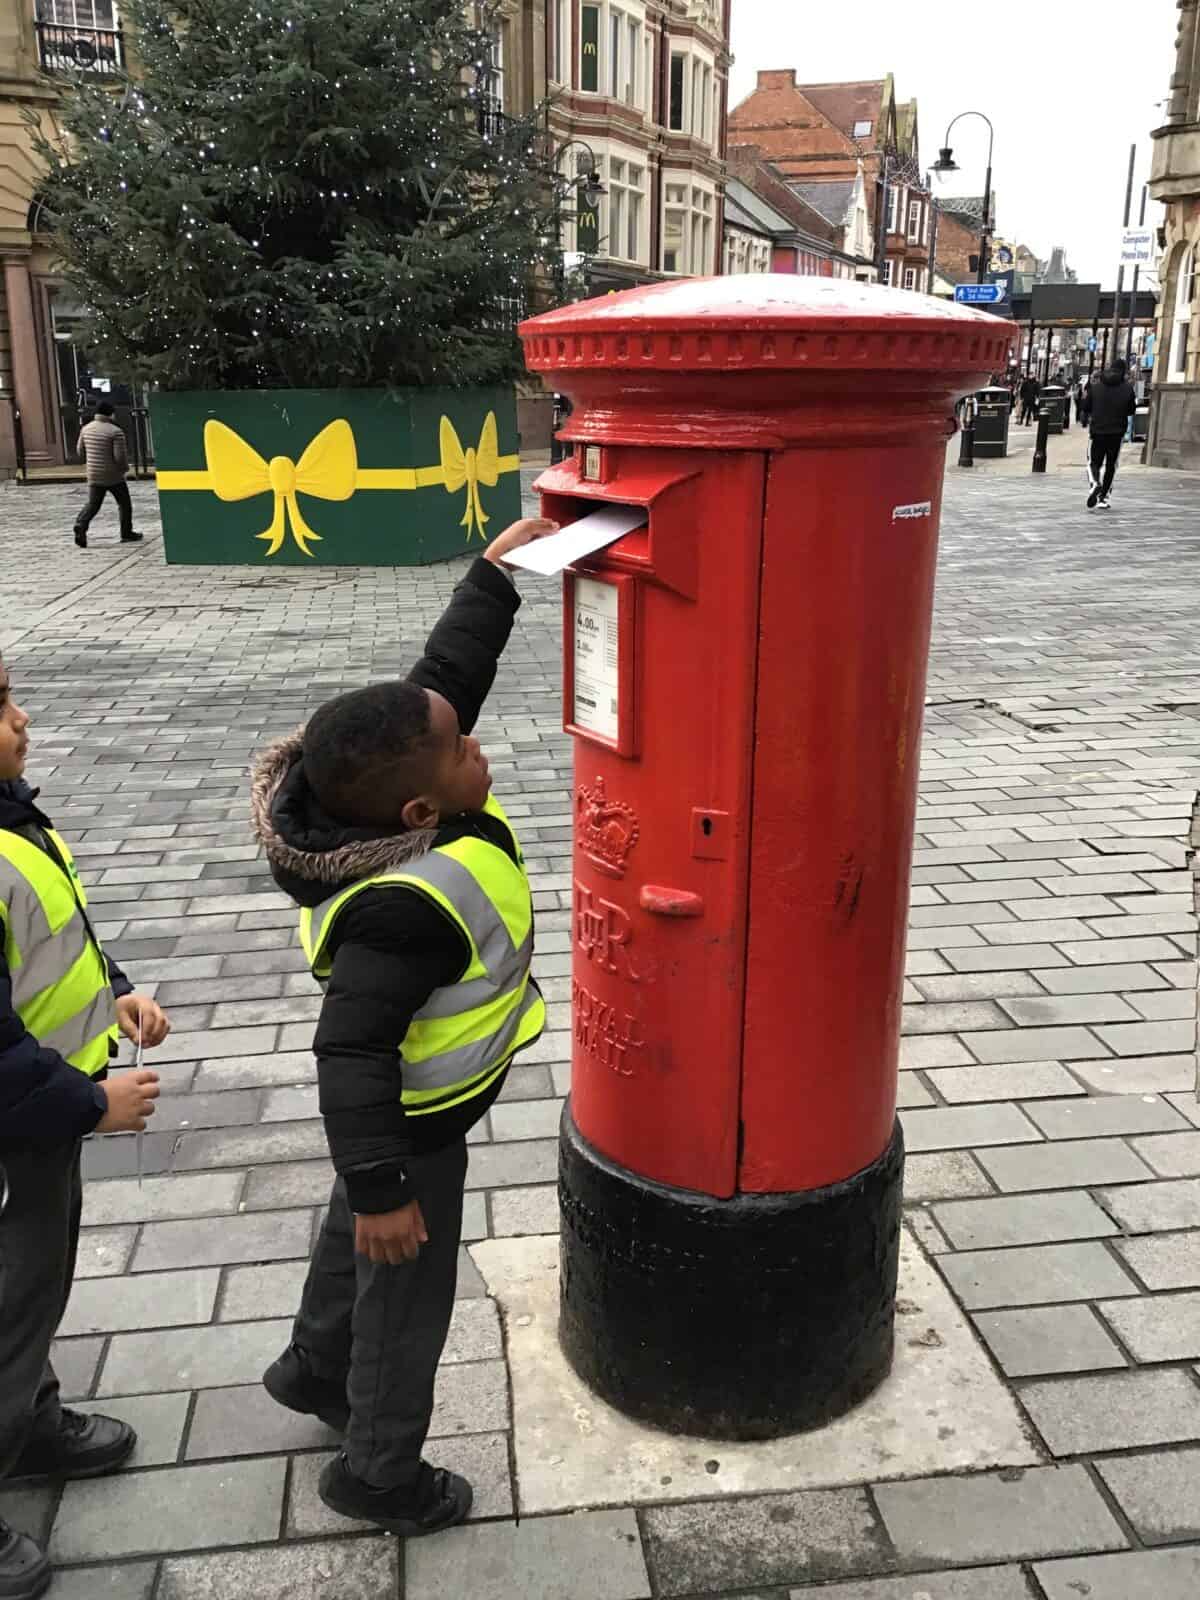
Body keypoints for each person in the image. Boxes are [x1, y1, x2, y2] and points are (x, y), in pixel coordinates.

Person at [251, 516, 556, 1539]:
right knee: (406, 1291)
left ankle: (312, 1366)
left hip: (397, 1126)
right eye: (465, 747)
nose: (478, 742)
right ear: (423, 812)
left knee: (357, 1229)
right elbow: (349, 1050)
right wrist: (384, 1181)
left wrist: (494, 578)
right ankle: (378, 1473)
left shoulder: (367, 797)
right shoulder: (403, 909)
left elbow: (440, 684)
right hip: (411, 1124)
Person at [0, 653, 171, 1600]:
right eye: (0, 706)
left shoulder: (13, 815)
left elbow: (54, 943)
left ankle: (28, 1422)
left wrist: (116, 992)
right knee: (9, 1296)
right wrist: (93, 1102)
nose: (22, 719)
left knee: (32, 1285)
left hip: (38, 1118)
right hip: (19, 1122)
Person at [73, 402, 141, 550]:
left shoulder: (86, 429)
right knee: (124, 504)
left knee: (93, 504)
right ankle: (126, 533)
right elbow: (119, 457)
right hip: (113, 475)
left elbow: (80, 451)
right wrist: (124, 469)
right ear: (110, 414)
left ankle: (81, 524)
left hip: (94, 474)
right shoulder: (115, 431)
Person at [1081, 358, 1137, 510]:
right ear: (1123, 371)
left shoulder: (1096, 387)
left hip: (1097, 431)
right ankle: (1103, 498)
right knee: (1111, 465)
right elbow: (1131, 410)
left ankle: (1095, 483)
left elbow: (1086, 406)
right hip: (1117, 433)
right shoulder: (1128, 389)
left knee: (1093, 462)